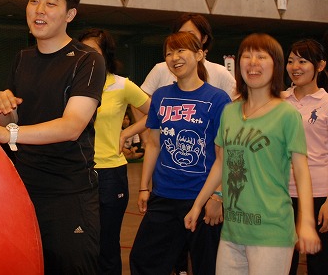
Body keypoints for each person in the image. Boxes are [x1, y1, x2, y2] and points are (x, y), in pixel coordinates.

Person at [0, 0, 106, 274]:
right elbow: (12, 121)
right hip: (23, 190)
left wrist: (8, 133)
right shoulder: (23, 58)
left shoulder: (87, 60)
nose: (39, 10)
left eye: (51, 3)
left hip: (69, 194)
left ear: (70, 14)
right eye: (34, 1)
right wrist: (1, 108)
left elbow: (72, 126)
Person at [184, 33, 321, 274]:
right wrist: (198, 204)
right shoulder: (230, 112)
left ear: (275, 65)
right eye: (246, 56)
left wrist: (307, 223)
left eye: (261, 56)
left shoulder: (287, 115)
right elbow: (221, 163)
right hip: (233, 230)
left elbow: (301, 171)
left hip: (271, 232)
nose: (252, 63)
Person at [129, 31, 231, 275]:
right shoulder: (161, 96)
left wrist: (217, 197)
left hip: (202, 197)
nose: (174, 57)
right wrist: (144, 187)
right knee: (143, 260)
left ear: (199, 55)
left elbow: (224, 155)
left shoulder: (217, 99)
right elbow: (154, 144)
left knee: (207, 266)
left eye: (181, 50)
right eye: (169, 53)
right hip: (164, 196)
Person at [79, 27, 150, 275]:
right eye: (82, 50)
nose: (87, 56)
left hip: (110, 174)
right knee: (81, 244)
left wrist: (126, 133)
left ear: (106, 54)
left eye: (93, 51)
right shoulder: (73, 84)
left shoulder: (121, 85)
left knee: (107, 245)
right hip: (78, 172)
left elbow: (156, 113)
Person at [283, 39, 328, 275]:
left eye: (303, 61)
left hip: (320, 195)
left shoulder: (326, 103)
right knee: (282, 265)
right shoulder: (277, 100)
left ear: (320, 66)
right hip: (281, 194)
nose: (295, 67)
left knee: (320, 266)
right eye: (291, 61)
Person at [140, 13, 237, 100]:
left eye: (191, 34)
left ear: (204, 38)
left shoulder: (219, 72)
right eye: (180, 34)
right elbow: (139, 102)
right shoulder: (161, 69)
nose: (185, 39)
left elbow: (238, 103)